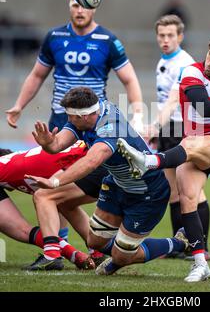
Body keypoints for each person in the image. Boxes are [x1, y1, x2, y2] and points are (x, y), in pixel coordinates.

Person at [117, 31, 210, 282]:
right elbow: (203, 107)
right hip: (193, 146)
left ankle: (150, 161)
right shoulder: (192, 72)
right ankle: (199, 263)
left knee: (194, 142)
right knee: (187, 199)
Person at [6, 0, 144, 241]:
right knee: (52, 186)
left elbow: (129, 78)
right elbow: (37, 75)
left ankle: (69, 245)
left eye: (85, 6)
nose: (79, 10)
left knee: (64, 188)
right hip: (60, 123)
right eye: (74, 4)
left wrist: (138, 115)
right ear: (68, 5)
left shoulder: (107, 40)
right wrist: (19, 105)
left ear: (94, 8)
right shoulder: (54, 36)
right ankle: (61, 244)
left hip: (91, 126)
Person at [26, 86, 189, 274]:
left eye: (71, 117)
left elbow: (91, 162)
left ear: (84, 116)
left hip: (147, 192)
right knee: (94, 241)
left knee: (121, 257)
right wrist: (48, 144)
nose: (68, 120)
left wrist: (55, 182)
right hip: (117, 185)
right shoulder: (87, 115)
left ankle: (179, 242)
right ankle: (120, 252)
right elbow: (57, 144)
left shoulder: (110, 127)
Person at [147, 14, 210, 259]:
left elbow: (174, 101)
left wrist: (154, 125)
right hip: (169, 129)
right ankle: (180, 246)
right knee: (173, 191)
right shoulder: (163, 61)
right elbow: (165, 101)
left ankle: (202, 247)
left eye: (170, 35)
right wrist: (159, 130)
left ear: (180, 36)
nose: (165, 40)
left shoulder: (184, 63)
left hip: (186, 129)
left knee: (192, 191)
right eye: (161, 35)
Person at [0, 146, 96, 270]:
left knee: (42, 197)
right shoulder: (20, 161)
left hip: (88, 163)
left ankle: (52, 255)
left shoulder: (5, 167)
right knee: (62, 203)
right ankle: (94, 253)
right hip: (93, 161)